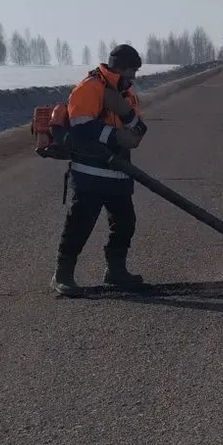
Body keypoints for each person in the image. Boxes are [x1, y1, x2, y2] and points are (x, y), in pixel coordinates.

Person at [52, 43, 149, 295]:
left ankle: (116, 271)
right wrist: (116, 136)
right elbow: (81, 126)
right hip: (90, 174)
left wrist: (125, 113)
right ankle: (62, 275)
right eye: (132, 71)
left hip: (120, 173)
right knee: (79, 225)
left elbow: (139, 128)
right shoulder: (90, 88)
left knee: (125, 223)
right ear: (120, 68)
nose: (134, 77)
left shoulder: (127, 93)